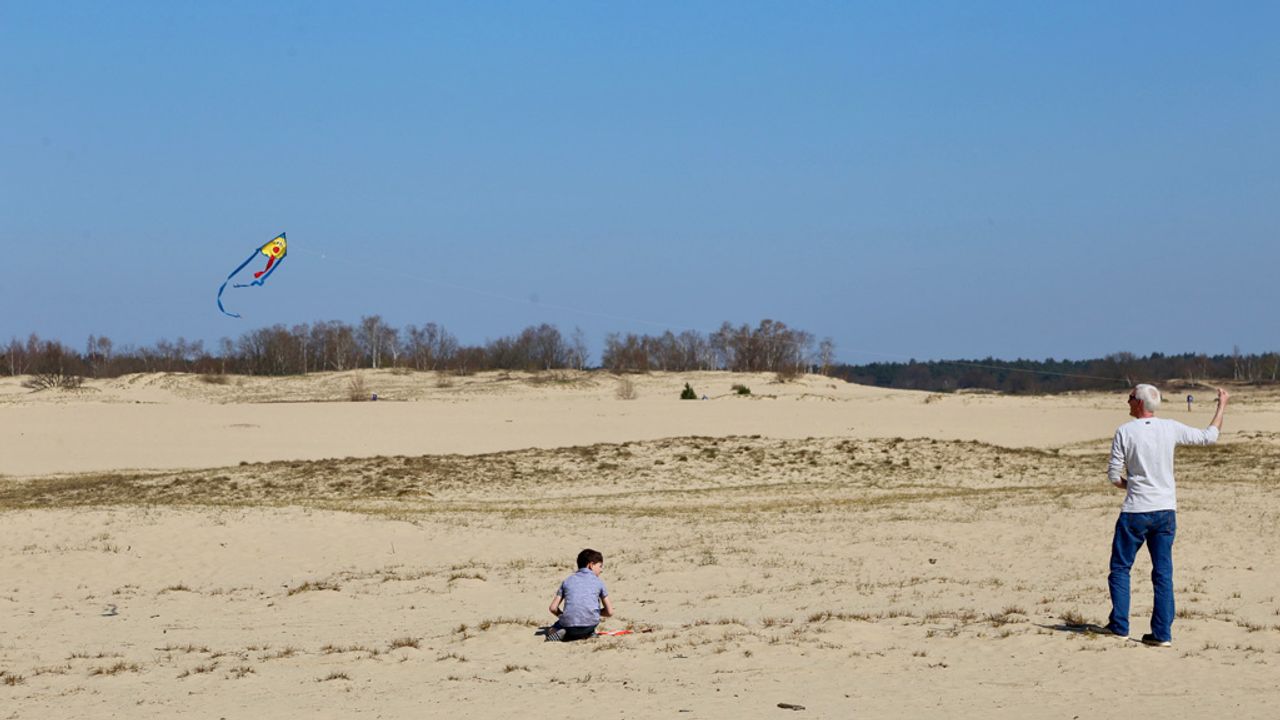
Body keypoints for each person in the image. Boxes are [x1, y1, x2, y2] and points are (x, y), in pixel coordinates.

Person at [1105, 383, 1228, 646]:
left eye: (1130, 398)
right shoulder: (1168, 427)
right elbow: (1210, 436)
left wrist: (1132, 485)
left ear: (1139, 403)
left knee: (1120, 568)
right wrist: (1222, 405)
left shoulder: (1125, 431)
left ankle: (1120, 626)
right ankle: (1161, 633)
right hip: (1164, 511)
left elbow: (1114, 476)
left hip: (1136, 511)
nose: (1127, 401)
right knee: (1162, 573)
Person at [546, 548, 613, 641]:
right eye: (600, 566)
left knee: (553, 628)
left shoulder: (567, 581)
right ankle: (589, 633)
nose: (601, 570)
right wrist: (594, 611)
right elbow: (610, 612)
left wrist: (562, 615)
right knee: (589, 622)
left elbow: (553, 608)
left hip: (569, 625)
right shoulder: (599, 583)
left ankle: (561, 633)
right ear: (591, 565)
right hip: (590, 624)